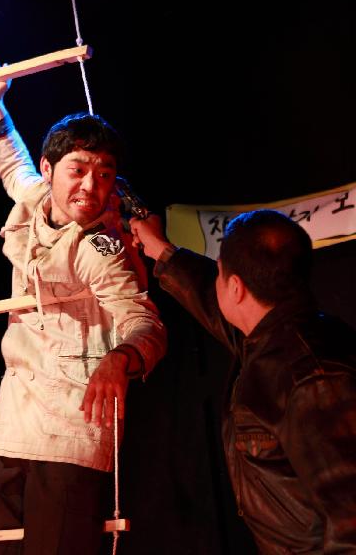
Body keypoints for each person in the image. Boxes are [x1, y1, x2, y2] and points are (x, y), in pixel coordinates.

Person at [0, 62, 167, 555]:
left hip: (70, 427)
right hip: (13, 420)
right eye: (78, 171)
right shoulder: (36, 197)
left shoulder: (103, 248)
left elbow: (144, 321)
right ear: (50, 169)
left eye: (104, 175)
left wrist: (121, 358)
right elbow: (12, 166)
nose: (90, 187)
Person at [129, 209, 356, 553]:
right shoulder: (271, 338)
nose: (215, 283)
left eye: (219, 274)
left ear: (236, 287)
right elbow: (209, 299)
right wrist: (161, 249)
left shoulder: (314, 378)